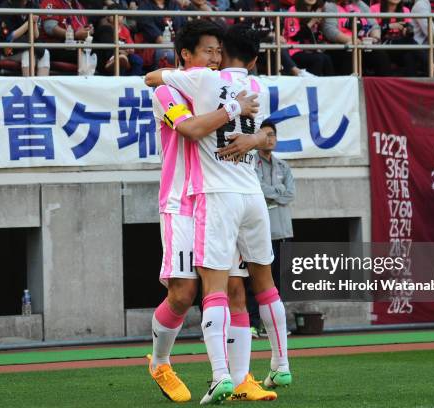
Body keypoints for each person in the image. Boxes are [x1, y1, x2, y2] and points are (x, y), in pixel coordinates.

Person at [146, 24, 292, 404]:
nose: (214, 60)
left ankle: (240, 378)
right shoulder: (168, 91)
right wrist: (234, 110)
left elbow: (254, 127)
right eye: (207, 52)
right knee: (183, 293)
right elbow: (192, 129)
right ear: (186, 58)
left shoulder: (215, 85)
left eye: (218, 52)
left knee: (235, 288)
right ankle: (160, 361)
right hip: (181, 201)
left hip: (216, 199)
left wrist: (258, 137)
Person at [247, 121, 295, 337]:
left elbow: (290, 194)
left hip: (283, 232)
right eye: (266, 134)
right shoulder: (251, 164)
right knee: (257, 280)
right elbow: (257, 190)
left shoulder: (283, 166)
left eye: (273, 134)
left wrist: (272, 194)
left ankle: (274, 326)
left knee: (280, 282)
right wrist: (278, 191)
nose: (270, 138)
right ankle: (254, 323)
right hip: (261, 233)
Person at [322, 0, 391, 76]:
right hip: (341, 46)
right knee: (350, 56)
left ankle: (383, 85)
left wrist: (375, 38)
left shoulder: (360, 4)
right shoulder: (329, 5)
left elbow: (374, 26)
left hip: (362, 45)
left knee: (380, 55)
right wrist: (352, 40)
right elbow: (330, 31)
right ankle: (350, 85)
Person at [0, 0, 50, 76]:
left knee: (45, 53)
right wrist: (29, 22)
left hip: (27, 44)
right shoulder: (5, 7)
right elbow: (10, 37)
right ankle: (28, 86)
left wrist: (33, 23)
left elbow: (36, 36)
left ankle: (41, 86)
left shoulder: (33, 5)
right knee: (28, 53)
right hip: (7, 48)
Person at [283, 0, 335, 76]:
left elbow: (317, 36)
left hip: (311, 50)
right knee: (319, 59)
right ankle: (311, 85)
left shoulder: (316, 10)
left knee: (327, 58)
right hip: (294, 50)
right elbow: (295, 37)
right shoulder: (293, 10)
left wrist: (320, 23)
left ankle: (331, 85)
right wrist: (312, 21)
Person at [94, 2, 144, 75]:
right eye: (113, 14)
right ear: (107, 16)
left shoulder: (125, 29)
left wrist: (130, 49)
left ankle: (133, 81)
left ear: (123, 17)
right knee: (121, 61)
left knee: (138, 60)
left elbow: (130, 45)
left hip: (125, 53)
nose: (116, 16)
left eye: (119, 15)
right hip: (112, 55)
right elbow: (106, 47)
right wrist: (120, 51)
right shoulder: (104, 29)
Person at [40, 0, 94, 64]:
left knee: (99, 49)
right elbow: (50, 28)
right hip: (56, 46)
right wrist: (74, 35)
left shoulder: (77, 4)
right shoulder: (50, 1)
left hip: (75, 44)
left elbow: (82, 26)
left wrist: (88, 30)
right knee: (86, 53)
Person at [136, 0, 186, 68]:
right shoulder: (145, 5)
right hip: (155, 46)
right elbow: (147, 26)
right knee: (172, 56)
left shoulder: (174, 5)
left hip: (177, 44)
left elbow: (184, 25)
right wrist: (159, 38)